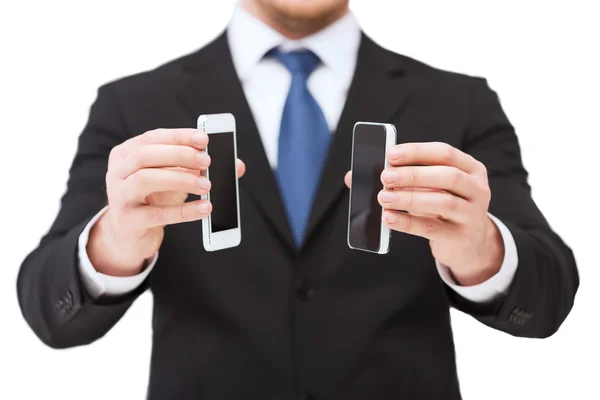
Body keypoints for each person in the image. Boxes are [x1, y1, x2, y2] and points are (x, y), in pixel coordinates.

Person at [16, 0, 579, 398]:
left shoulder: (460, 103)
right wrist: (114, 244)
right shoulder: (133, 106)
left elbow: (550, 297)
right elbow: (48, 311)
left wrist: (483, 251)